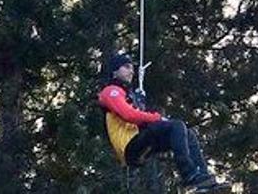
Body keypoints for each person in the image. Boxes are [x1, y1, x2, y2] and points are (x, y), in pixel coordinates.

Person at [98, 53, 230, 192]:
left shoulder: (127, 94)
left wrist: (139, 102)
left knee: (187, 133)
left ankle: (202, 179)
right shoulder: (110, 91)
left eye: (132, 68)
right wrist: (157, 117)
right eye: (126, 67)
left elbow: (137, 117)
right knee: (176, 126)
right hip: (129, 147)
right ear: (115, 70)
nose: (131, 71)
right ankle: (188, 174)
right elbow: (128, 114)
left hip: (140, 145)